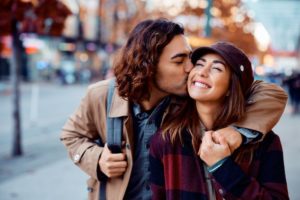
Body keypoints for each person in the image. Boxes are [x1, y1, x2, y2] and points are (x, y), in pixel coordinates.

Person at [60, 19, 287, 200]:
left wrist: (239, 131)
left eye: (190, 58)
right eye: (179, 61)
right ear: (148, 65)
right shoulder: (101, 95)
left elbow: (271, 94)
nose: (191, 69)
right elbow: (71, 135)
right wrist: (97, 159)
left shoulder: (188, 96)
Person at [149, 42, 289, 200]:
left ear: (231, 87)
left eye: (216, 68)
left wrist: (223, 167)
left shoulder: (265, 143)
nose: (202, 72)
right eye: (199, 64)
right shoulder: (166, 140)